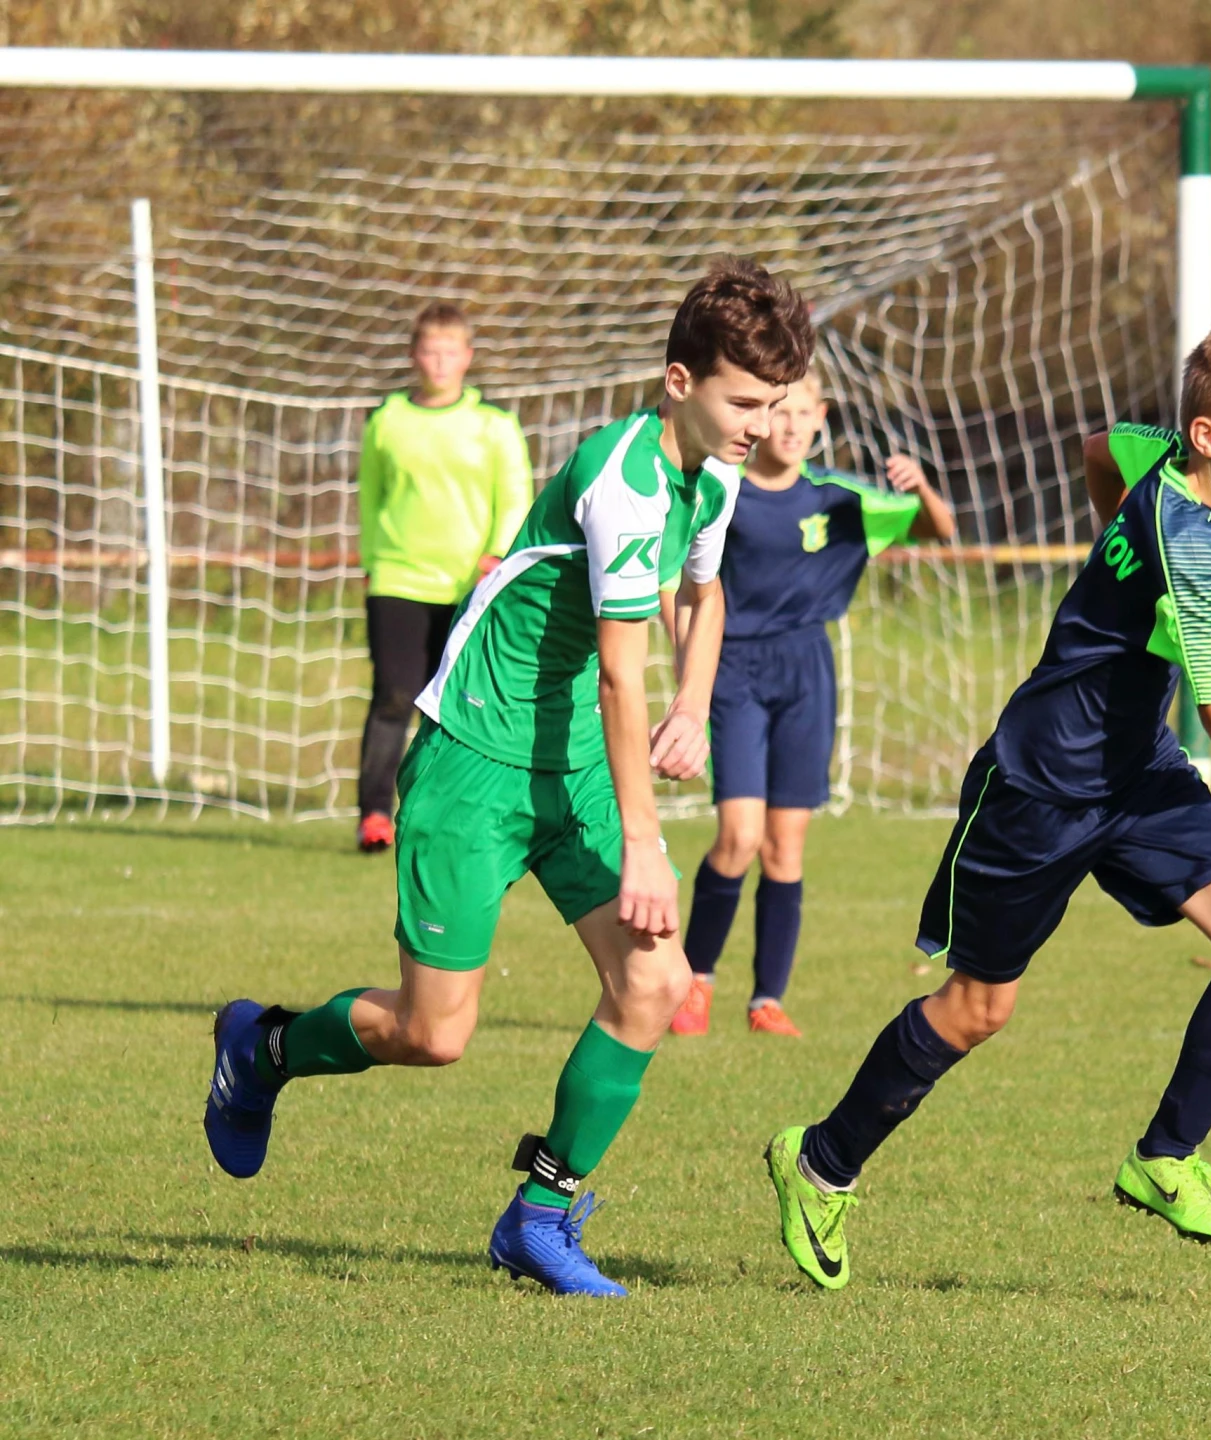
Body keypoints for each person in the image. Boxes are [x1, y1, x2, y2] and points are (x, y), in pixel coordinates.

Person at [760, 310, 1211, 1290]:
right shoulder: (1188, 543)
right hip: (1038, 789)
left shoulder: (1153, 454)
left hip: (1135, 774)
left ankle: (1163, 1156)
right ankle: (818, 1162)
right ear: (1210, 436)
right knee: (980, 1008)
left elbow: (1096, 451)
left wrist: (1113, 542)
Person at [202, 260, 814, 1298]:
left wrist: (692, 707)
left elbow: (701, 600)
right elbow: (621, 673)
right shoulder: (621, 480)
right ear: (679, 380)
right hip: (473, 760)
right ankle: (260, 1050)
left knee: (653, 984)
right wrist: (651, 846)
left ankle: (538, 1216)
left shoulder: (710, 475)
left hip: (570, 754)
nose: (761, 423)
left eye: (776, 404)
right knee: (433, 1033)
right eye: (744, 401)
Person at [664, 369, 956, 1039]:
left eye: (804, 413)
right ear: (762, 417)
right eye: (780, 412)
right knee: (738, 835)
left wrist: (923, 488)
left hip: (806, 672)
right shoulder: (723, 489)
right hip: (734, 667)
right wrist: (689, 671)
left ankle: (767, 999)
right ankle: (695, 981)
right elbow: (679, 579)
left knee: (785, 847)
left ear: (821, 418)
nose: (791, 426)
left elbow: (937, 531)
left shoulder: (840, 498)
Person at [352, 303, 533, 854]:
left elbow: (515, 496)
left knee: (456, 703)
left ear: (467, 358)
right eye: (430, 350)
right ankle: (375, 813)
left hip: (470, 585)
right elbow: (371, 499)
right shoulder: (387, 421)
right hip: (399, 581)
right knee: (394, 695)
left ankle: (442, 809)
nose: (439, 361)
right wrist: (372, 563)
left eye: (450, 351)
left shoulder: (494, 426)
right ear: (414, 355)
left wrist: (496, 555)